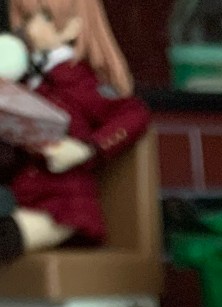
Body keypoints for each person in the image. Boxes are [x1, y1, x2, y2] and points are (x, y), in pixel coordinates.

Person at [0, 0, 150, 267]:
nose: (30, 29)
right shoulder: (23, 81)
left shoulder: (79, 80)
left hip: (63, 208)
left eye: (45, 18)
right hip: (21, 198)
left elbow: (133, 113)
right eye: (26, 19)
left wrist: (87, 148)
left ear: (73, 27)